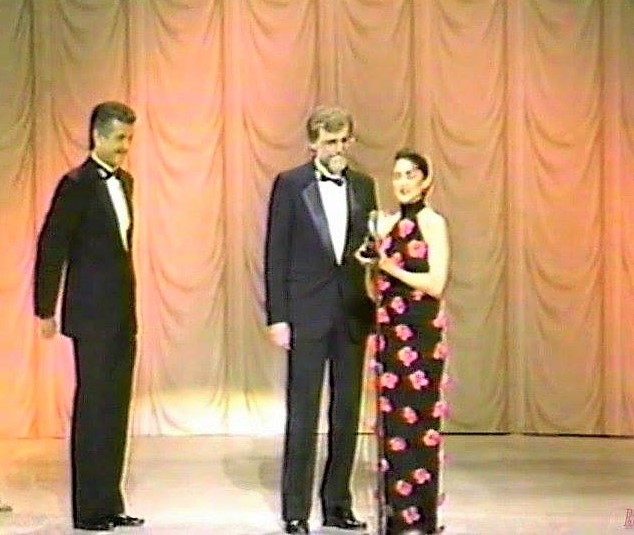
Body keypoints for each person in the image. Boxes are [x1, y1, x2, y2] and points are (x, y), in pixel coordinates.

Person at [265, 105, 377, 534]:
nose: (338, 149)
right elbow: (276, 253)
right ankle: (295, 510)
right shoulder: (291, 185)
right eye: (330, 142)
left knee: (346, 414)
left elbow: (368, 247)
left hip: (350, 313)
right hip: (306, 314)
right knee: (303, 414)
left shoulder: (364, 185)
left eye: (344, 140)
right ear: (313, 143)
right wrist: (278, 317)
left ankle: (337, 505)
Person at [34, 101, 144, 532]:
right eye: (119, 138)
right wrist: (45, 307)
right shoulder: (76, 185)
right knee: (94, 408)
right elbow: (52, 246)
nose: (125, 147)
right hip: (91, 315)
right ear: (97, 136)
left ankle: (111, 502)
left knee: (116, 409)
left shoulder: (126, 182)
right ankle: (89, 510)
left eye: (129, 139)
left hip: (122, 314)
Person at [356, 149, 450, 535]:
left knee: (420, 424)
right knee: (393, 426)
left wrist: (389, 266)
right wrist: (371, 268)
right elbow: (375, 290)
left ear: (426, 181)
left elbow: (436, 282)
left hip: (422, 333)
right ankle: (395, 517)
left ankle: (421, 519)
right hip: (390, 333)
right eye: (397, 176)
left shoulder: (433, 223)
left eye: (411, 175)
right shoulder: (387, 224)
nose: (403, 182)